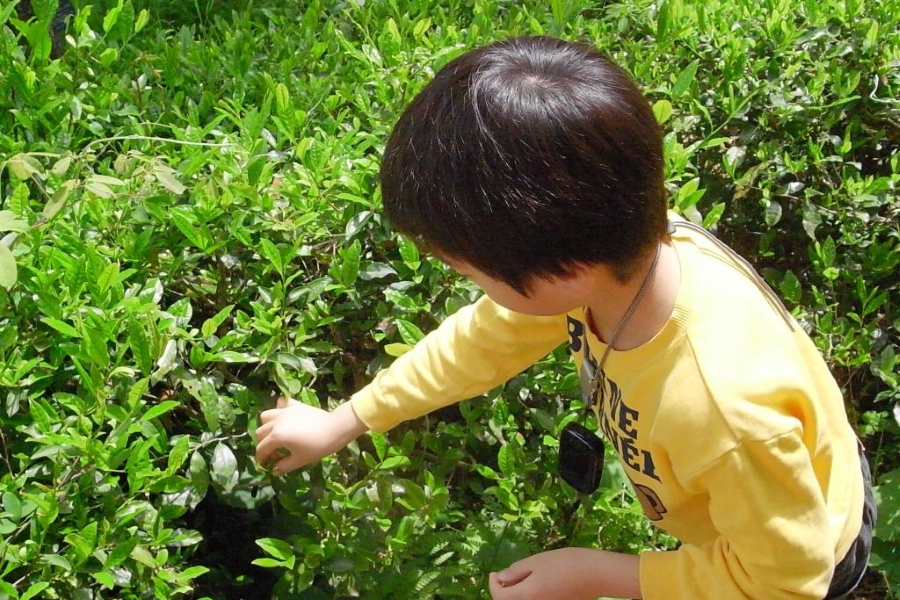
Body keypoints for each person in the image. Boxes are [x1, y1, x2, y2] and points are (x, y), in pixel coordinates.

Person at [255, 36, 875, 599]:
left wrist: (601, 573)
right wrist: (345, 421)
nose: (466, 286)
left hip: (810, 545)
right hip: (762, 499)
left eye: (465, 269)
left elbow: (787, 582)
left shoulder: (723, 413)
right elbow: (483, 341)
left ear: (563, 270)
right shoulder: (624, 262)